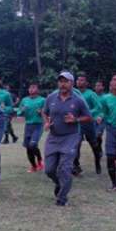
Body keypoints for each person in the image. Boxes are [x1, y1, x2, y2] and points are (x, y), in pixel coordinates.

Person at [43, 71, 92, 206]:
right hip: (53, 137)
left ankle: (62, 198)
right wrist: (46, 122)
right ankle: (59, 183)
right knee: (49, 170)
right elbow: (44, 112)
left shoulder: (78, 100)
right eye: (60, 81)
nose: (63, 84)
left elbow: (88, 117)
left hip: (70, 137)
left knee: (65, 168)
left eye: (66, 81)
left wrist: (75, 119)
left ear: (72, 83)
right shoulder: (51, 98)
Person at [73, 73, 102, 175]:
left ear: (86, 83)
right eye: (78, 80)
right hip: (77, 124)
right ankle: (76, 166)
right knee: (75, 145)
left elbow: (98, 107)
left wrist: (88, 112)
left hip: (89, 123)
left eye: (82, 80)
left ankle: (98, 163)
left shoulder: (91, 94)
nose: (79, 82)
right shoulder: (73, 93)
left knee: (94, 145)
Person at [17, 82, 45, 173]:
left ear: (38, 90)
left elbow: (47, 112)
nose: (31, 89)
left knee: (32, 145)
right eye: (30, 88)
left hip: (38, 125)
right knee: (28, 147)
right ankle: (34, 166)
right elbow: (19, 112)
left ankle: (40, 160)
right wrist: (22, 111)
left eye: (34, 87)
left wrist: (41, 111)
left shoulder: (42, 100)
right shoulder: (24, 100)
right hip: (28, 125)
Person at [94, 80, 106, 156]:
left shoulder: (106, 97)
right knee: (94, 136)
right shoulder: (92, 96)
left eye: (99, 85)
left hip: (102, 120)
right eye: (96, 85)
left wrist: (101, 116)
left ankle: (99, 150)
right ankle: (98, 148)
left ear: (103, 87)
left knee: (98, 134)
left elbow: (106, 109)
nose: (97, 87)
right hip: (92, 119)